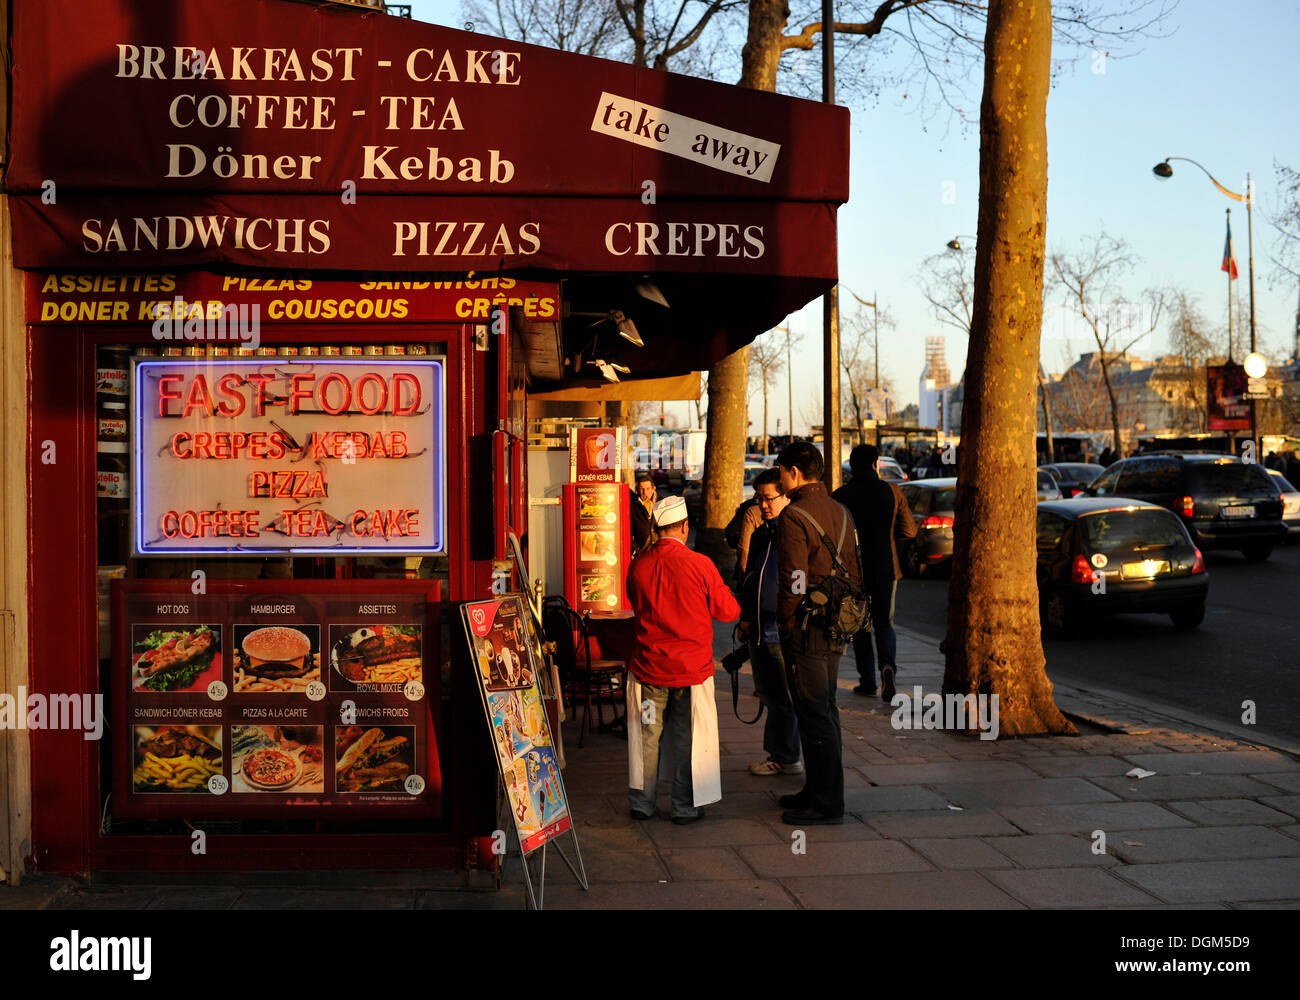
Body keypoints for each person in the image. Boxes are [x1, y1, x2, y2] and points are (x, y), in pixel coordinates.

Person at [625, 495, 740, 824]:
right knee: (686, 737)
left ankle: (642, 803)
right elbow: (728, 611)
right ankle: (684, 807)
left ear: (657, 529)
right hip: (691, 671)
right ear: (685, 527)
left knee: (647, 734)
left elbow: (634, 602)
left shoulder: (640, 563)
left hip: (649, 668)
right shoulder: (700, 564)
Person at [774, 441, 862, 826]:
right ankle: (819, 790)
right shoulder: (842, 511)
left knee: (813, 712)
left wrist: (786, 620)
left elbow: (793, 579)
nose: (779, 479)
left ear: (793, 472)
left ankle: (827, 802)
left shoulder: (794, 516)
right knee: (825, 709)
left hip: (807, 627)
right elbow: (856, 570)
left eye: (780, 471)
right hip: (837, 623)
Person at [832, 444, 917, 701]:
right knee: (885, 623)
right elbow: (910, 531)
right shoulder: (891, 491)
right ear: (875, 464)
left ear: (852, 465)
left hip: (854, 571)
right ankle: (887, 667)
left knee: (860, 626)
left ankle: (867, 679)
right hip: (886, 567)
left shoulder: (841, 496)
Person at [738, 468, 802, 776]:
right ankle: (781, 753)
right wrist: (746, 617)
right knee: (770, 693)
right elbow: (753, 577)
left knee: (783, 696)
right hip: (759, 628)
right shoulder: (763, 533)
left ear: (786, 495)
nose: (763, 505)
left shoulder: (793, 531)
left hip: (780, 629)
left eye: (768, 499)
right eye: (758, 498)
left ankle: (785, 756)